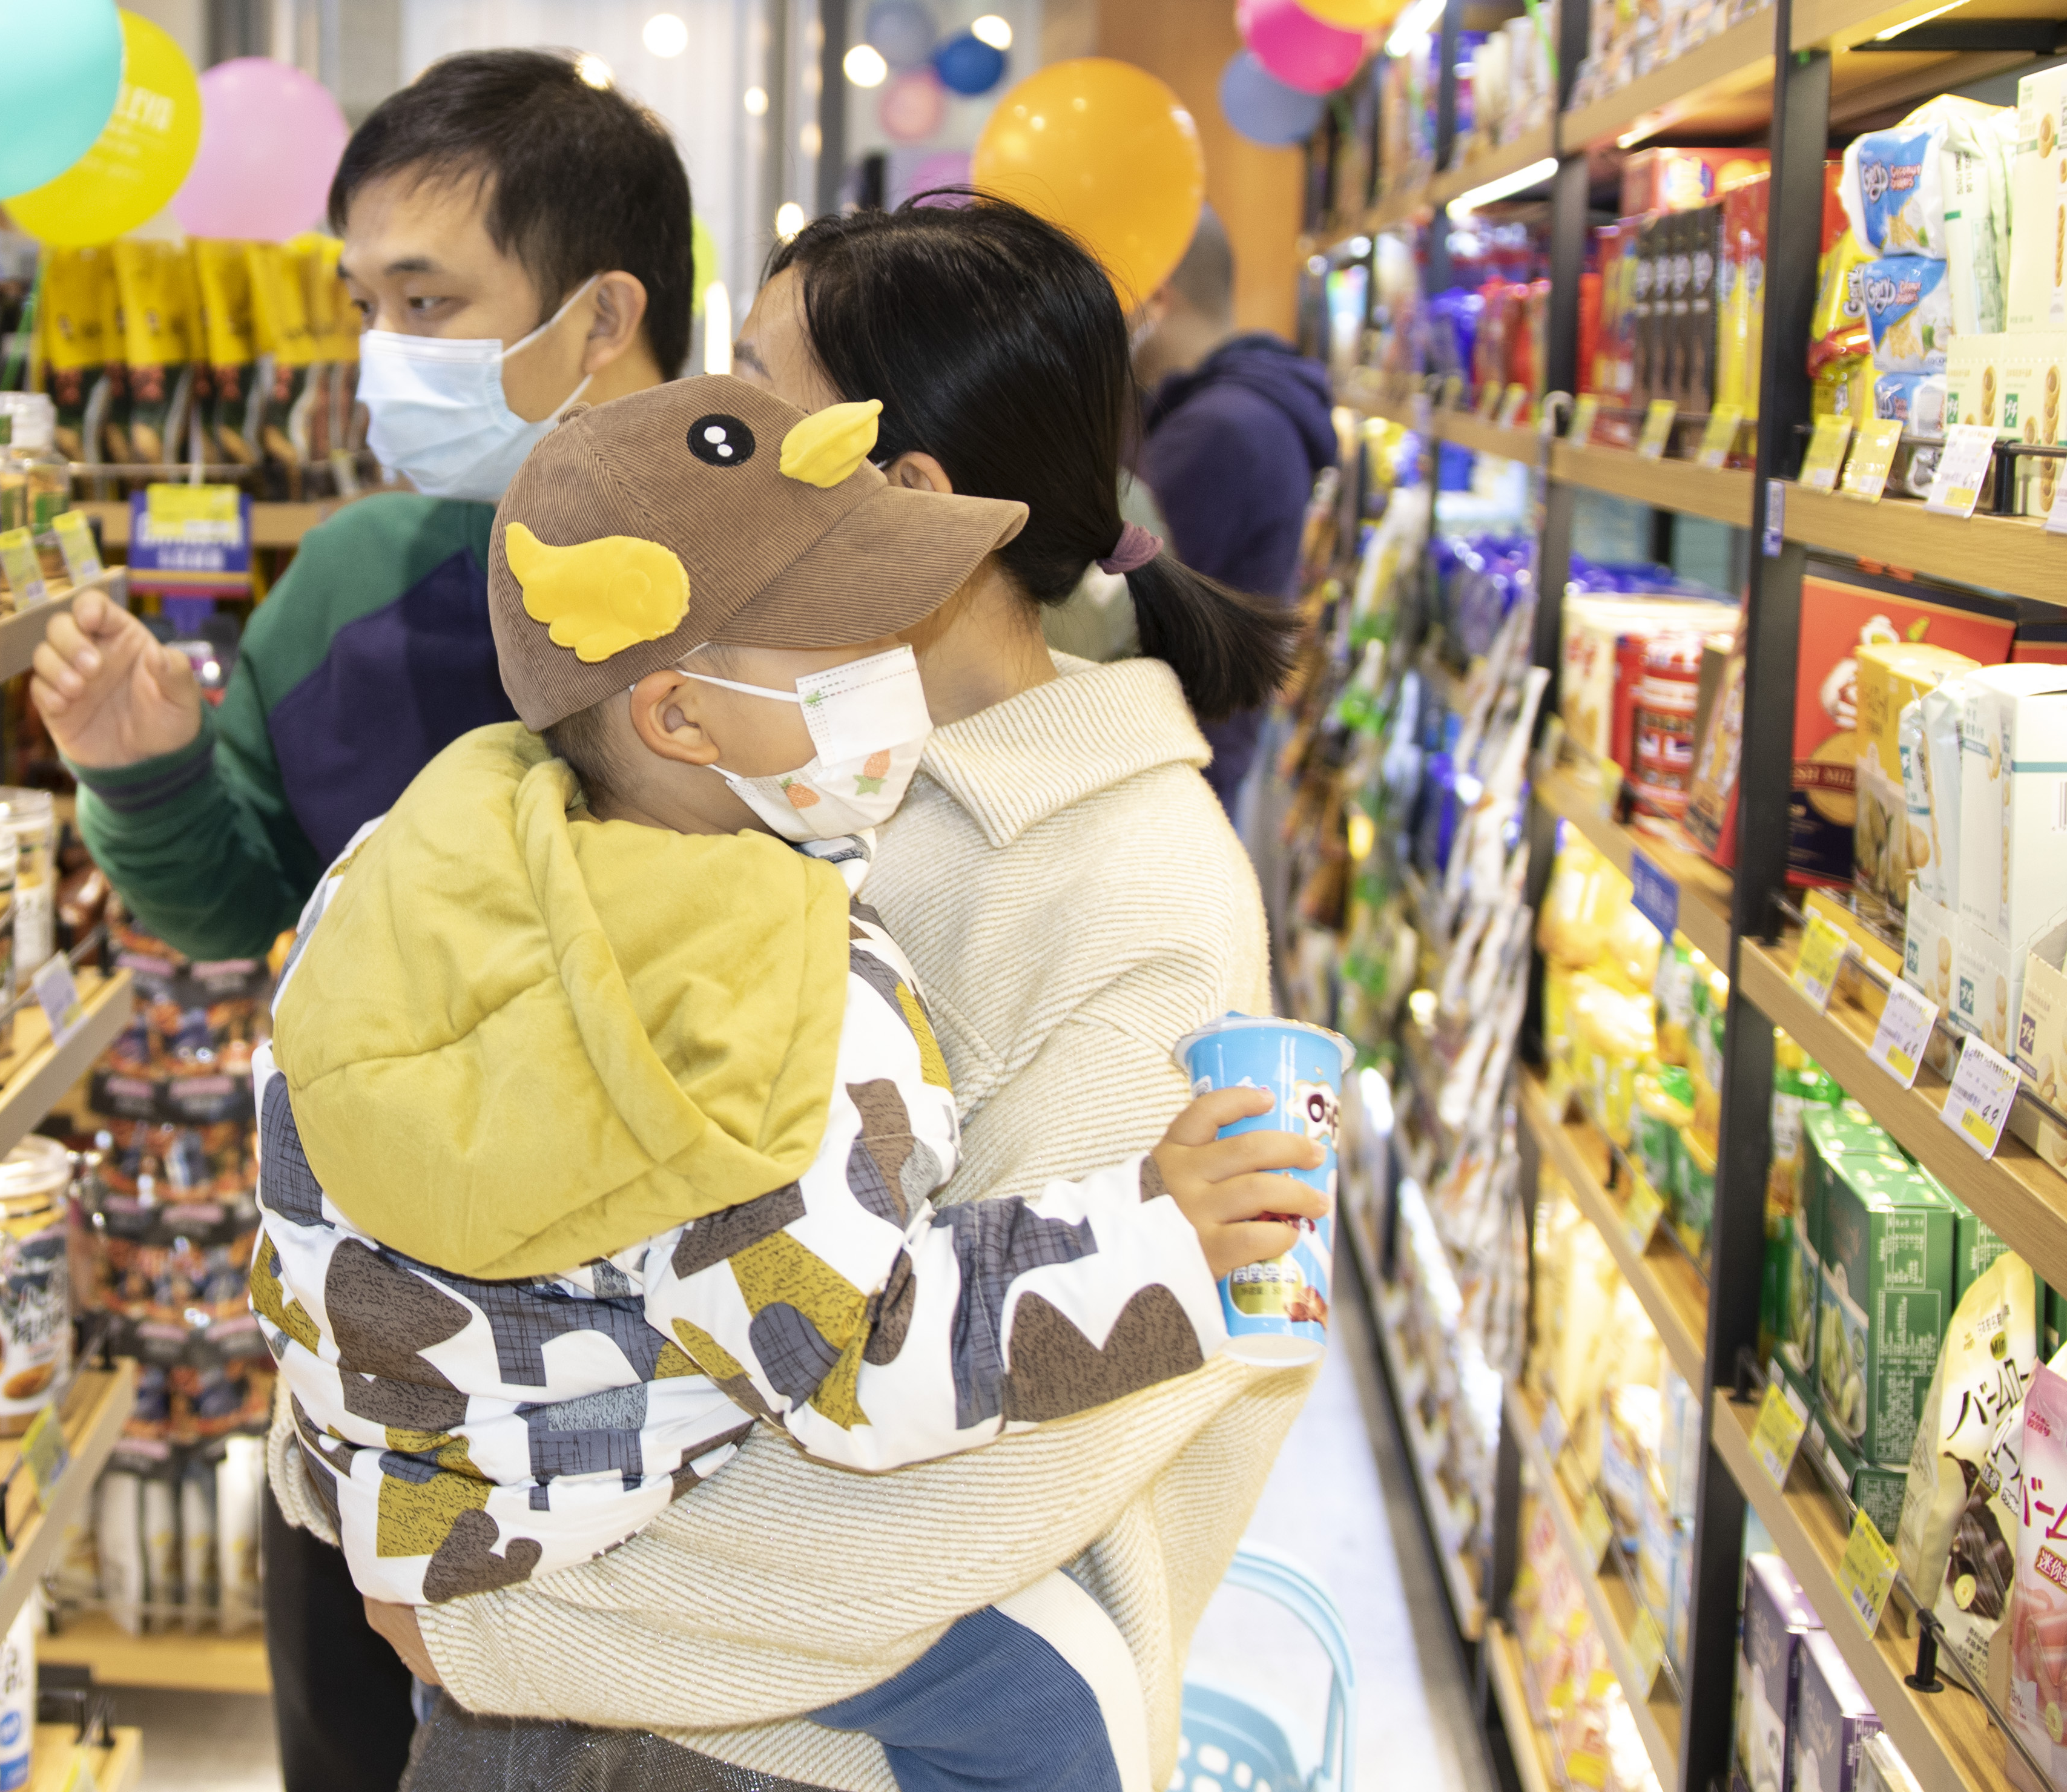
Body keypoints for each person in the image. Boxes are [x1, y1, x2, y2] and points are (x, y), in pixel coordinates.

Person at [257, 375, 1330, 1792]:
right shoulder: (757, 987)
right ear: (679, 716)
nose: (899, 663)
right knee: (1058, 1704)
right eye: (843, 646)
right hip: (579, 1545)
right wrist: (1160, 1241)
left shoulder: (416, 858)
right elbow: (860, 1360)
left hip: (418, 1496)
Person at [27, 45, 694, 1792]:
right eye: (364, 300)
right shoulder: (353, 577)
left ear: (602, 312)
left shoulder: (766, 579)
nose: (380, 348)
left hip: (690, 1391)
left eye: (430, 298)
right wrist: (148, 768)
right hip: (368, 1372)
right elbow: (245, 893)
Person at [1126, 206, 1338, 808]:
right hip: (1195, 755)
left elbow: (1117, 601)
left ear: (1157, 297)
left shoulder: (1221, 431)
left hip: (1173, 773)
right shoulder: (1231, 409)